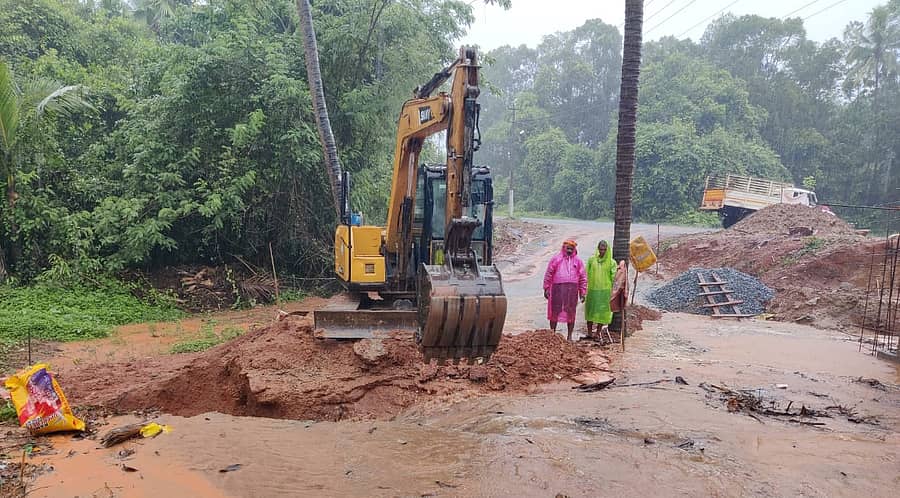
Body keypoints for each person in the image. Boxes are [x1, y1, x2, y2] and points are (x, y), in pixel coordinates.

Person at [543, 240, 587, 341]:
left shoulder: (578, 261)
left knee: (571, 312)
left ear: (574, 249)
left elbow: (583, 277)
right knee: (555, 311)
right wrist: (546, 288)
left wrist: (583, 292)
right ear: (564, 248)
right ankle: (552, 334)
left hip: (572, 289)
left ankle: (569, 336)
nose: (570, 250)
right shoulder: (556, 259)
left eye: (572, 249)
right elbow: (549, 273)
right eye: (568, 248)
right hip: (557, 288)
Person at [585, 240, 617, 340]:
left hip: (605, 291)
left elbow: (614, 278)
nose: (602, 251)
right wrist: (584, 288)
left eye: (604, 249)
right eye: (600, 249)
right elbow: (586, 274)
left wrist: (614, 292)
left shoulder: (612, 263)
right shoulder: (592, 260)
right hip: (592, 290)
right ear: (598, 249)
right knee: (590, 311)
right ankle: (589, 333)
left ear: (607, 250)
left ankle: (598, 333)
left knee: (602, 312)